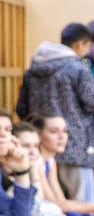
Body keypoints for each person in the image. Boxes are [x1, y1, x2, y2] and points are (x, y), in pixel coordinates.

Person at [16, 22, 94, 202]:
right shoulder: (78, 68)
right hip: (76, 147)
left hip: (40, 146)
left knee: (49, 202)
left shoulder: (33, 69)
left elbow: (21, 108)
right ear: (79, 44)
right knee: (85, 200)